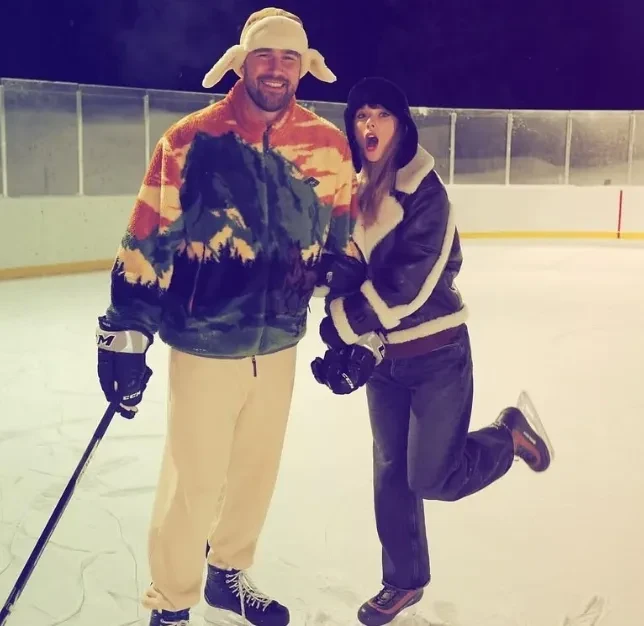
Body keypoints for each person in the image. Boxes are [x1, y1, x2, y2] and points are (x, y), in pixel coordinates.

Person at [95, 8, 360, 626]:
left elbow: (341, 246)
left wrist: (350, 321)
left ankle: (227, 574)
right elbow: (148, 238)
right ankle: (171, 601)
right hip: (204, 343)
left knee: (253, 474)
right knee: (192, 482)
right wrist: (124, 335)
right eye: (264, 56)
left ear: (304, 68)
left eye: (288, 58)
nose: (276, 69)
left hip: (280, 342)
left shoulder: (328, 145)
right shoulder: (189, 141)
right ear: (242, 63)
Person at [311, 76, 555, 626]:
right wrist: (344, 322)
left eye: (381, 115)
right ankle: (403, 581)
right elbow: (348, 266)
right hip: (385, 358)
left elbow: (408, 284)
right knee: (390, 474)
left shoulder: (427, 193)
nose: (369, 125)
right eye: (361, 116)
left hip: (437, 355)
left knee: (433, 478)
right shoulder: (354, 189)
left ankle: (508, 436)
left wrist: (343, 324)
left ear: (401, 125)